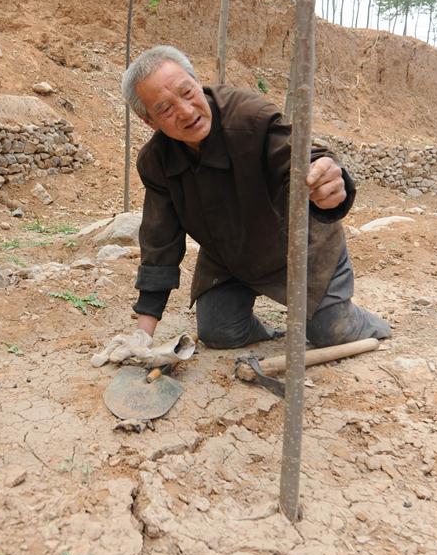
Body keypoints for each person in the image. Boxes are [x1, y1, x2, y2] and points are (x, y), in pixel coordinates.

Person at [120, 45, 391, 350]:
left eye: (187, 92)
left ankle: (368, 322)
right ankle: (267, 331)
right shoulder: (156, 161)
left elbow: (302, 159)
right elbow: (160, 242)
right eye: (165, 109)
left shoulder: (249, 117)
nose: (185, 112)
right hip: (229, 258)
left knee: (331, 332)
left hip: (297, 246)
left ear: (197, 82)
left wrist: (327, 179)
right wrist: (143, 335)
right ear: (149, 121)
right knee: (218, 332)